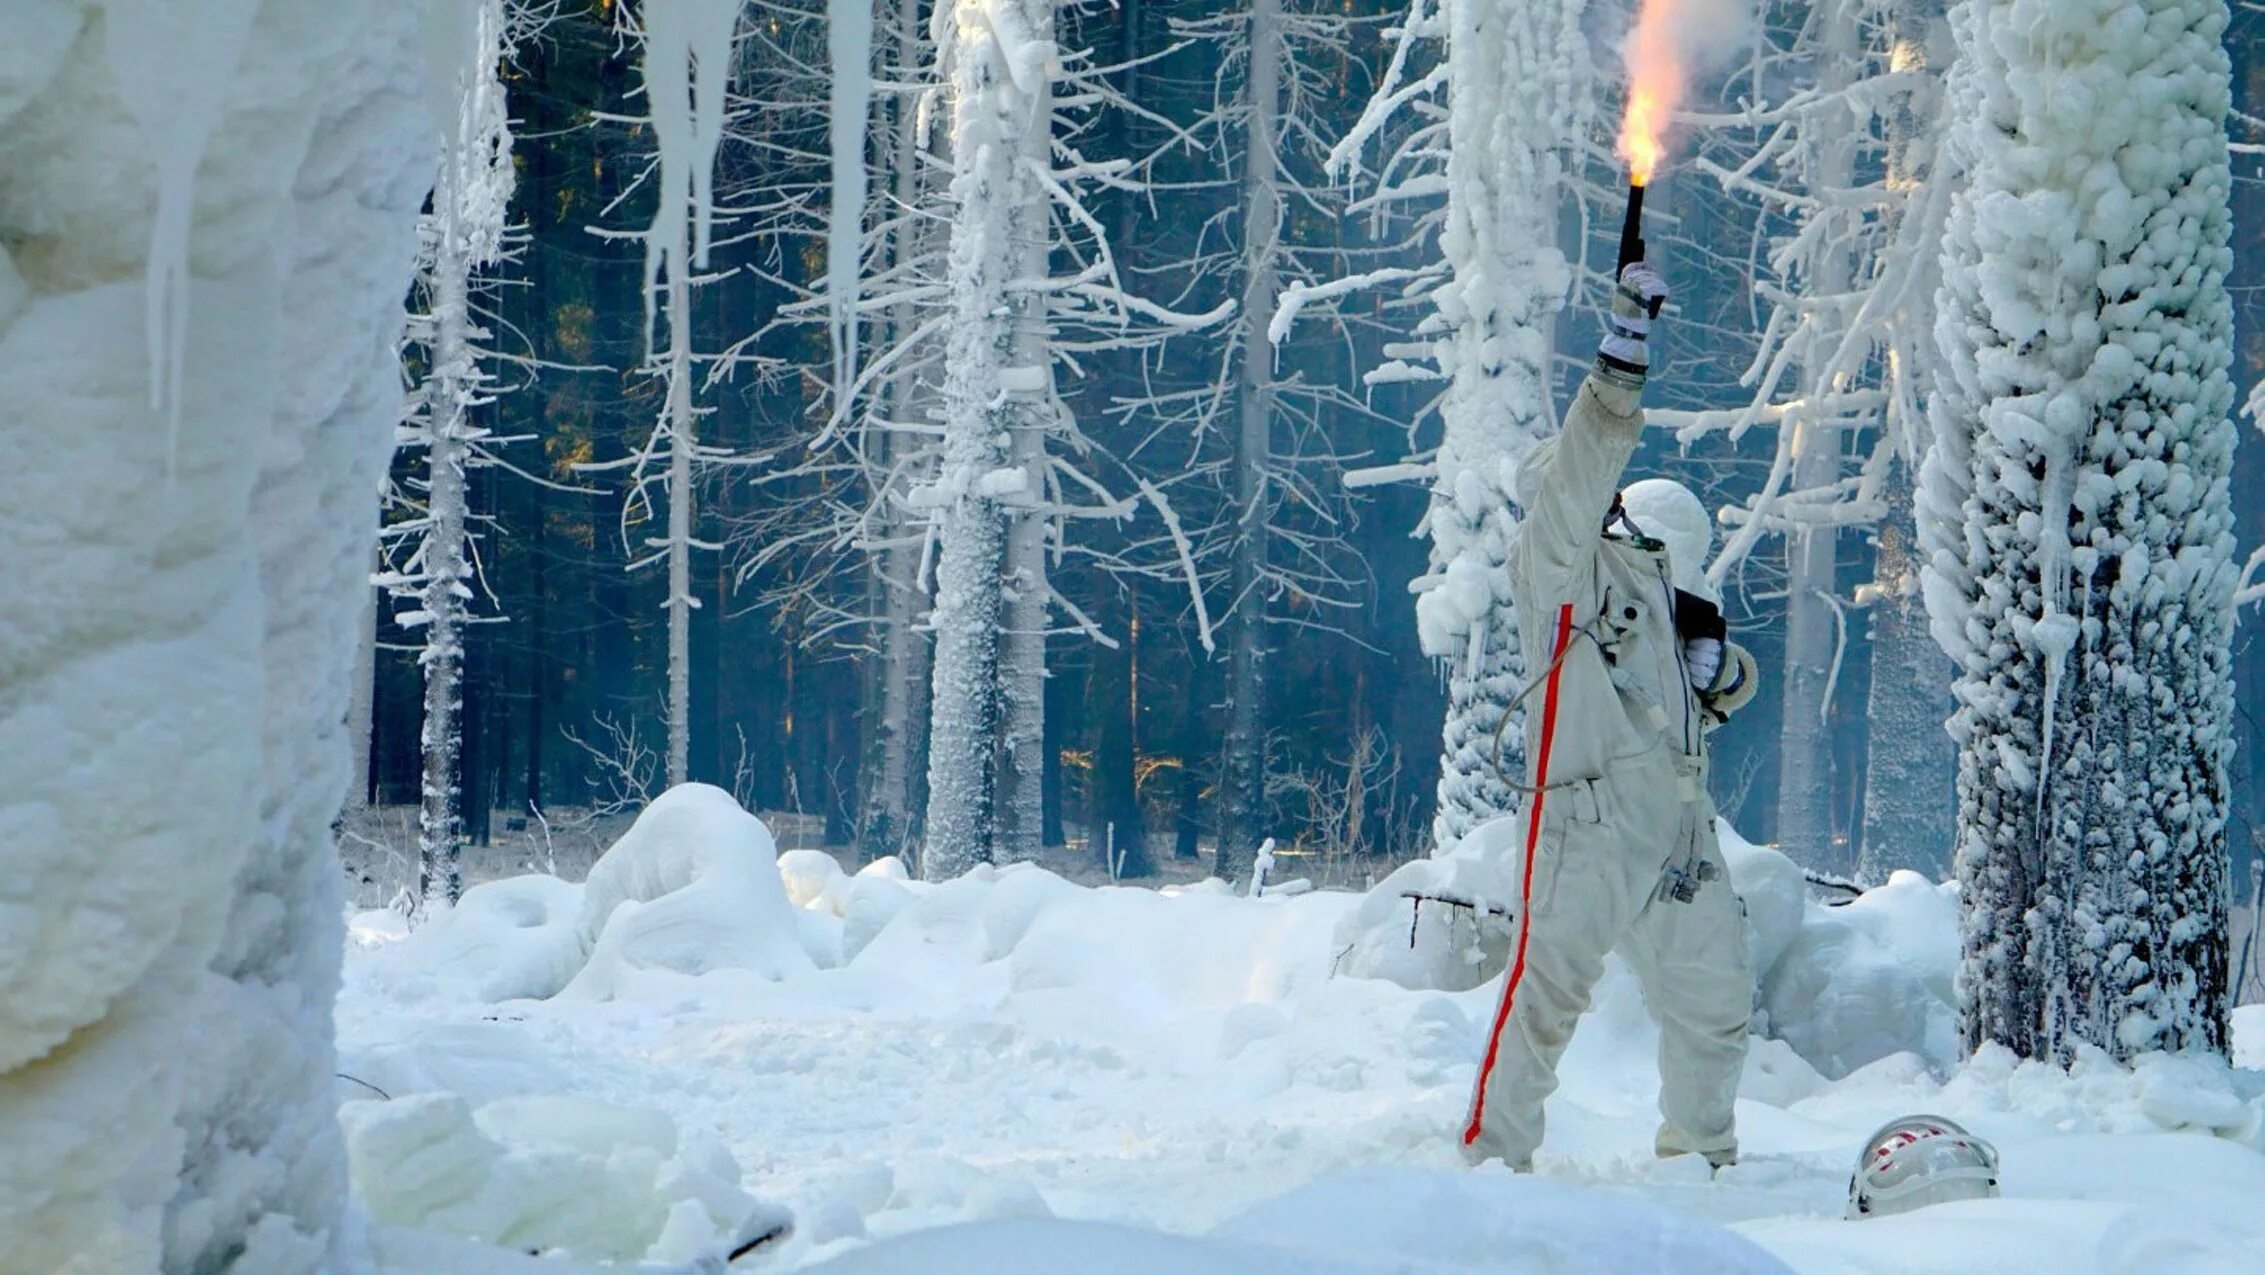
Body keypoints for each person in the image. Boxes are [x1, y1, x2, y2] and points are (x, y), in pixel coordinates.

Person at [1460, 260, 1761, 1173]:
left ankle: (1699, 1155)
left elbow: (1685, 702)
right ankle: (1489, 1162)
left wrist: (1723, 672)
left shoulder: (1659, 584)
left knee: (1715, 995)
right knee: (1545, 996)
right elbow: (1584, 465)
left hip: (1674, 826)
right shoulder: (1553, 569)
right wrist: (1619, 363)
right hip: (1584, 822)